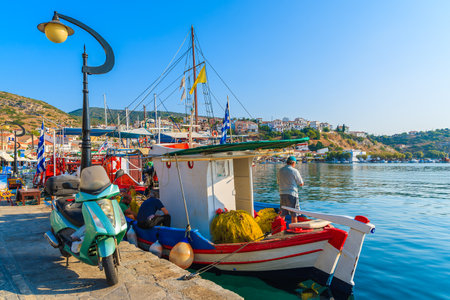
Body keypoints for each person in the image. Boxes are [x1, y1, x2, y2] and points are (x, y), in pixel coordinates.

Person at [277, 156, 304, 223]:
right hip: (292, 194)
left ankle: (279, 228)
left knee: (282, 214)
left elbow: (278, 182)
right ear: (293, 163)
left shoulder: (280, 170)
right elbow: (301, 183)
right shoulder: (294, 171)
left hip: (282, 194)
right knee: (294, 214)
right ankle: (294, 230)